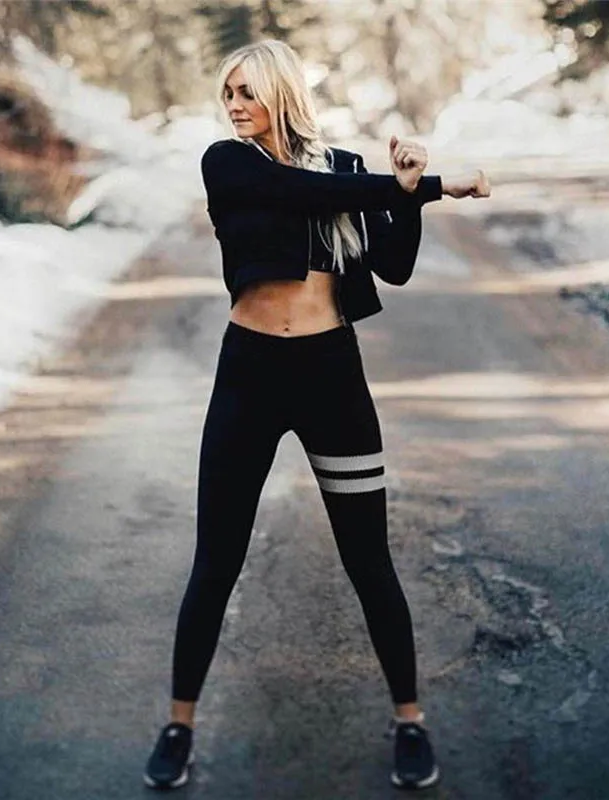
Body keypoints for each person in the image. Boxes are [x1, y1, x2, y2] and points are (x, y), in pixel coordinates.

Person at [144, 39, 490, 792]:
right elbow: (301, 194)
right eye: (228, 92)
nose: (234, 104)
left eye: (247, 91)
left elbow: (394, 265)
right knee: (216, 563)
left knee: (369, 561)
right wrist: (428, 185)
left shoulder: (343, 169)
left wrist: (407, 197)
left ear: (281, 91)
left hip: (331, 375)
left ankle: (410, 720)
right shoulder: (228, 164)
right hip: (249, 375)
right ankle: (179, 723)